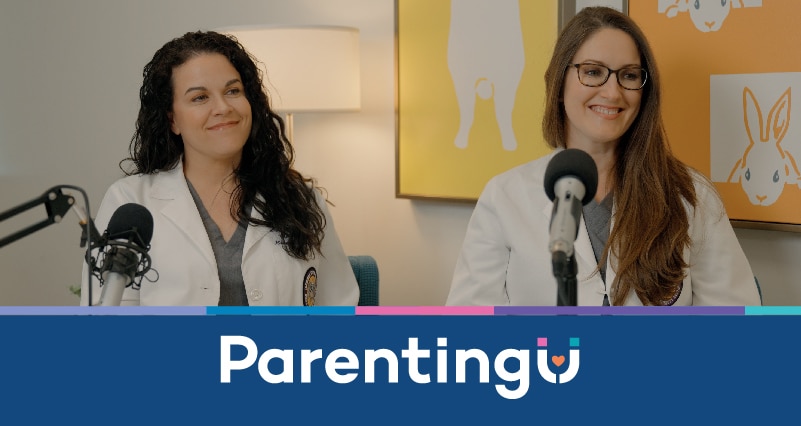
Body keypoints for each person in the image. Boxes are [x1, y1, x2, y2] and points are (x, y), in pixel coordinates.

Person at [446, 7, 761, 306]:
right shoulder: (504, 198)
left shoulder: (692, 197)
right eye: (593, 72)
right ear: (558, 83)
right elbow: (468, 333)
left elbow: (740, 329)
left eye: (629, 75)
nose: (612, 92)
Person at [80, 30, 359, 306]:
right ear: (173, 120)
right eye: (200, 97)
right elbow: (108, 321)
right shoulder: (129, 201)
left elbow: (338, 310)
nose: (223, 107)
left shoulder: (302, 199)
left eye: (233, 91)